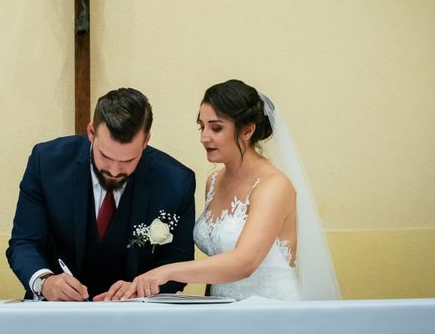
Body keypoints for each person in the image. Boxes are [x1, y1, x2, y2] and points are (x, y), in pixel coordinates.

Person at [121, 80, 341, 301]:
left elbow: (244, 263)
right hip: (225, 312)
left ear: (247, 130)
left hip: (271, 311)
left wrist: (164, 272)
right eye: (202, 126)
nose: (204, 137)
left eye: (216, 127)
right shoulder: (214, 181)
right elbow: (219, 265)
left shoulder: (273, 186)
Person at [7, 87, 195, 301]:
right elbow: (24, 243)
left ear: (146, 141)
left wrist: (144, 287)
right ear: (91, 132)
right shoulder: (47, 162)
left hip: (138, 319)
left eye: (127, 161)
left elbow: (179, 259)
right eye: (105, 156)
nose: (114, 170)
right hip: (56, 315)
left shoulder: (176, 181)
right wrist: (45, 282)